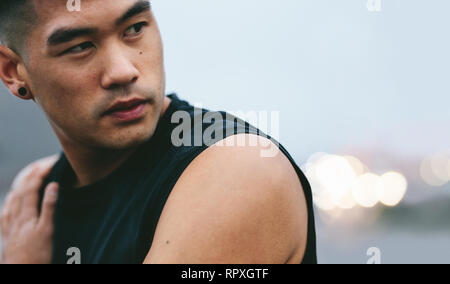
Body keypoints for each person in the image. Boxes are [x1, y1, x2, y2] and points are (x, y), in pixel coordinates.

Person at [0, 0, 317, 264]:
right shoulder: (38, 200)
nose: (124, 71)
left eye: (135, 28)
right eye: (81, 46)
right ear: (13, 71)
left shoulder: (241, 171)